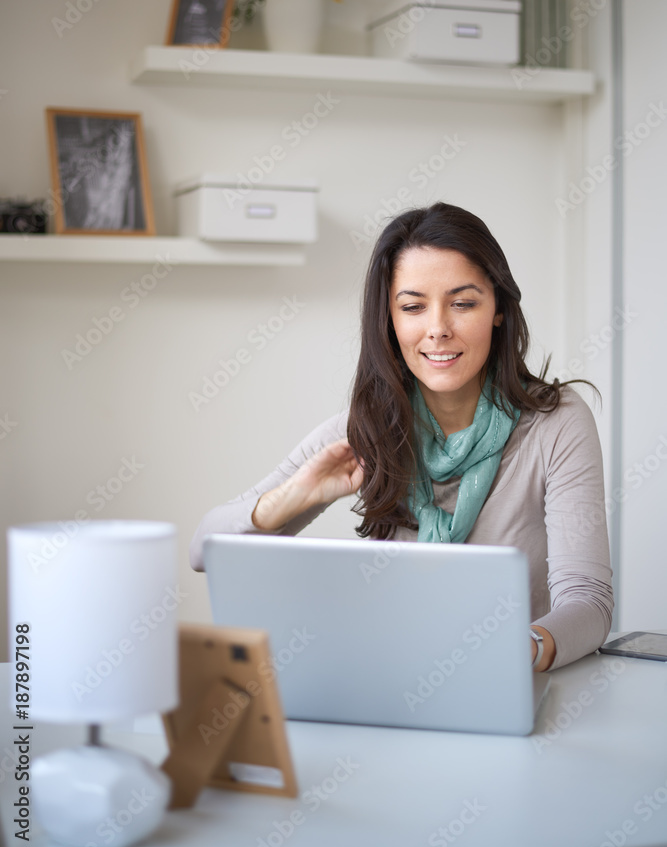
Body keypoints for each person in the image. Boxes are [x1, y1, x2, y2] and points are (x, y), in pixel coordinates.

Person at [190, 202, 613, 672]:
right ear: (389, 321)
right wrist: (291, 499)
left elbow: (589, 602)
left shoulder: (556, 423)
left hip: (514, 684)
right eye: (413, 307)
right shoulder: (363, 431)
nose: (437, 329)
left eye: (463, 303)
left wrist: (525, 649)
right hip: (392, 681)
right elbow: (203, 550)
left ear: (497, 308)